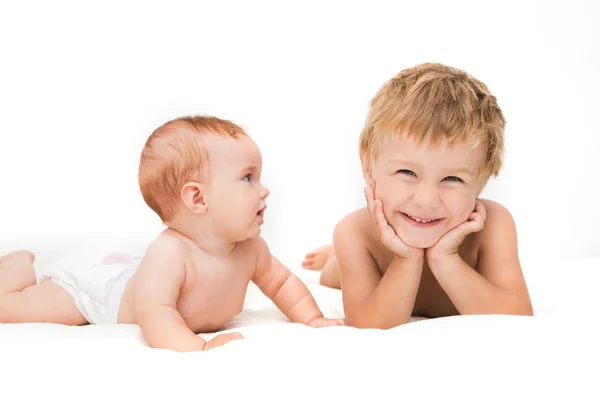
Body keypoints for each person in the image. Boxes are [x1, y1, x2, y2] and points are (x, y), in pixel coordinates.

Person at [0, 115, 343, 351]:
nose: (264, 190)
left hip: (135, 273)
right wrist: (197, 347)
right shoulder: (169, 254)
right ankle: (14, 268)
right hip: (104, 291)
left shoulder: (251, 249)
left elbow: (283, 285)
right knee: (15, 311)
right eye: (248, 178)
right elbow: (156, 315)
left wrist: (312, 319)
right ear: (197, 198)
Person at [302, 63, 533, 328]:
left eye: (452, 179)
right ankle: (335, 257)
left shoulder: (494, 225)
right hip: (370, 263)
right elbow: (368, 324)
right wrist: (406, 258)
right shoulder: (355, 233)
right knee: (331, 276)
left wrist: (446, 259)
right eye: (407, 172)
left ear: (480, 183)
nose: (426, 201)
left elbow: (518, 317)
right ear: (368, 166)